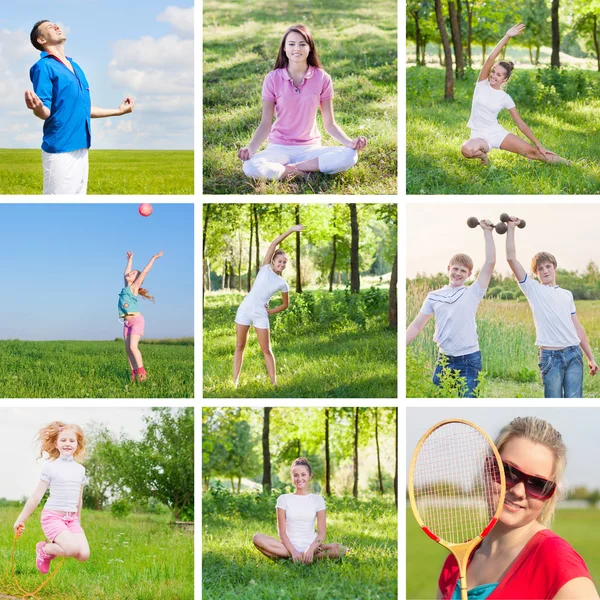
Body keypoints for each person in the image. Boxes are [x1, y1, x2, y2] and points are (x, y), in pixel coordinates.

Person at [437, 417, 599, 599]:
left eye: (537, 484)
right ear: (488, 467)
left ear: (550, 494)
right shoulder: (456, 561)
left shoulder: (556, 561)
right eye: (509, 472)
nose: (519, 491)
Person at [237, 24, 367, 181]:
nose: (296, 48)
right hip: (279, 147)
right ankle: (301, 172)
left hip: (310, 148)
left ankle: (291, 169)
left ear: (310, 48)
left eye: (302, 44)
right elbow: (265, 124)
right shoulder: (272, 78)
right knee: (250, 166)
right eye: (291, 44)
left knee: (350, 156)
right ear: (284, 49)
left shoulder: (322, 78)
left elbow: (330, 124)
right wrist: (250, 148)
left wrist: (349, 142)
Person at [26, 20, 135, 195]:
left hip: (82, 148)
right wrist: (37, 108)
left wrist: (118, 111)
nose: (56, 27)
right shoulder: (43, 67)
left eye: (56, 25)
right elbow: (45, 111)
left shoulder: (76, 67)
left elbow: (84, 108)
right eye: (49, 27)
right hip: (61, 149)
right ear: (41, 40)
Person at [505, 218, 598, 397]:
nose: (545, 271)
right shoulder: (533, 290)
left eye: (548, 266)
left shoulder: (567, 294)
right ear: (536, 273)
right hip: (550, 357)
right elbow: (510, 258)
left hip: (573, 354)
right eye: (540, 269)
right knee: (553, 402)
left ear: (554, 267)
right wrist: (511, 228)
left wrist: (590, 357)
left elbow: (577, 327)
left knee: (574, 402)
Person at [406, 219, 496, 397]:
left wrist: (487, 232)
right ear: (448, 268)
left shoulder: (473, 292)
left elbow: (490, 263)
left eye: (463, 271)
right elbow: (417, 325)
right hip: (444, 359)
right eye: (455, 269)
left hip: (469, 359)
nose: (458, 273)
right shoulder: (434, 296)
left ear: (469, 274)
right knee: (439, 401)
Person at [461, 23, 568, 166]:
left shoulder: (505, 98)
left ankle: (572, 165)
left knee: (536, 154)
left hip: (496, 133)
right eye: (493, 72)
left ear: (505, 79)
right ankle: (484, 157)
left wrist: (538, 144)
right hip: (478, 136)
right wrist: (507, 36)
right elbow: (491, 58)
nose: (493, 76)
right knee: (466, 149)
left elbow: (521, 124)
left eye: (498, 75)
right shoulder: (481, 84)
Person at [13, 422, 89, 575]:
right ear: (56, 443)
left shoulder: (80, 470)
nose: (67, 443)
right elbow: (36, 497)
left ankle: (51, 549)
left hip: (71, 519)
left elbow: (78, 499)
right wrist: (20, 519)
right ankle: (44, 549)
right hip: (53, 517)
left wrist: (77, 520)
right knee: (72, 549)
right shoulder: (50, 467)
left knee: (83, 555)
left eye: (71, 440)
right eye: (63, 440)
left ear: (77, 444)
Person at [234, 225, 302, 386]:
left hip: (260, 314)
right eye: (280, 261)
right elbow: (274, 243)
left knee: (266, 349)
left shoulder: (282, 283)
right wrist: (291, 230)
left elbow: (285, 304)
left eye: (285, 262)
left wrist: (270, 312)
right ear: (273, 260)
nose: (282, 264)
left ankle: (274, 383)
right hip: (244, 309)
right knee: (239, 345)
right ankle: (234, 381)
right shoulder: (264, 268)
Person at [252, 457, 346, 563]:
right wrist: (293, 551)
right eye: (295, 475)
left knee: (342, 549)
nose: (299, 478)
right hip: (287, 547)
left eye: (303, 474)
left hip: (313, 548)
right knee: (257, 538)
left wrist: (310, 550)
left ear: (309, 476)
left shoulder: (318, 500)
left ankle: (305, 557)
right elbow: (282, 533)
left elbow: (322, 533)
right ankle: (297, 557)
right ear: (292, 477)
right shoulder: (283, 499)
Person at [119, 251, 164, 382]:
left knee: (133, 347)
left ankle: (142, 373)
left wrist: (153, 258)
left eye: (133, 274)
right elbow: (125, 274)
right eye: (130, 272)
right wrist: (130, 259)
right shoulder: (126, 287)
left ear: (136, 279)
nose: (129, 273)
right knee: (128, 349)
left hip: (137, 321)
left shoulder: (134, 287)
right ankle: (134, 374)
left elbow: (144, 272)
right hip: (127, 323)